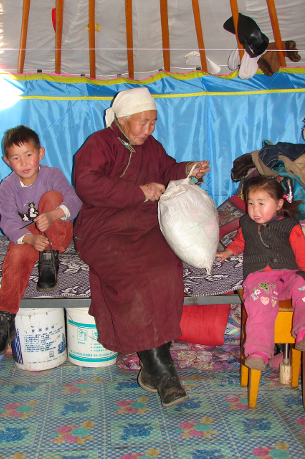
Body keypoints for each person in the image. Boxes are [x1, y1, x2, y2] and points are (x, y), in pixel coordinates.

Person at [73, 87, 210, 407]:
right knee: (135, 276)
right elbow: (87, 184)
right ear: (121, 120)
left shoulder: (152, 146)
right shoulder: (98, 144)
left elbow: (167, 169)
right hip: (103, 230)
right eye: (142, 122)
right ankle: (164, 375)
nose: (148, 129)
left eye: (153, 122)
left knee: (166, 270)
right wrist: (138, 192)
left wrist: (188, 169)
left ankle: (153, 368)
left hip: (146, 226)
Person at [0, 125, 82, 355]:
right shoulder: (8, 186)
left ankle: (50, 258)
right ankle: (5, 320)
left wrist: (52, 215)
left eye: (29, 155)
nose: (24, 162)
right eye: (16, 158)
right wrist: (29, 239)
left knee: (52, 198)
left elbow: (75, 200)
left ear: (40, 153)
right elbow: (8, 222)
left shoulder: (52, 174)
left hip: (57, 230)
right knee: (16, 253)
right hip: (30, 237)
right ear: (7, 161)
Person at [216, 175, 305, 371]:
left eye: (261, 203)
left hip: (289, 274)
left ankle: (303, 332)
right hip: (260, 277)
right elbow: (240, 242)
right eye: (250, 203)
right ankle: (258, 352)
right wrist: (228, 252)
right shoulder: (246, 223)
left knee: (304, 290)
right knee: (260, 305)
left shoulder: (290, 224)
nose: (255, 210)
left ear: (279, 204)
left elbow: (301, 250)